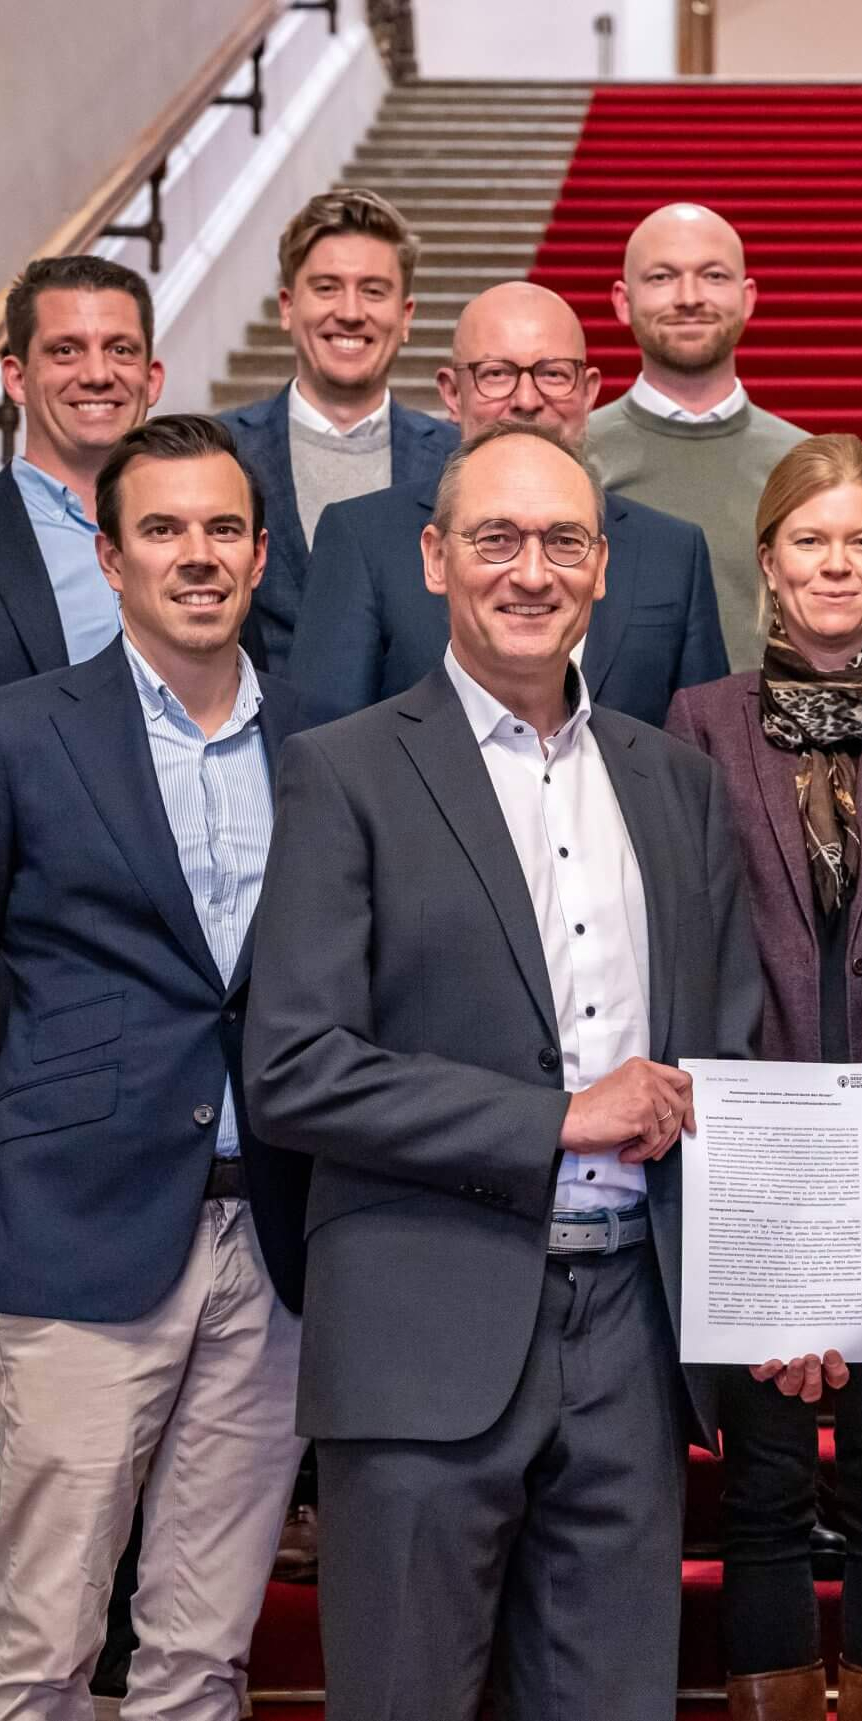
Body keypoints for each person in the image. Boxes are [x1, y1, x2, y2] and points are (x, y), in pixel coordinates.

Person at [243, 421, 762, 1721]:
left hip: (631, 1343)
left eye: (562, 542)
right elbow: (294, 1069)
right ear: (434, 558)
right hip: (423, 1327)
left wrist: (776, 1275)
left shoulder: (678, 786)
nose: (529, 570)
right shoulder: (344, 772)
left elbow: (730, 1055)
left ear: (601, 570)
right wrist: (558, 1117)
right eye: (496, 539)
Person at [0, 414, 319, 1719]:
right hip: (81, 1231)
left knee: (205, 1654)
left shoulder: (329, 743)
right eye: (166, 529)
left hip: (279, 1236)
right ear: (110, 550)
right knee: (41, 1646)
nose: (199, 555)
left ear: (257, 555)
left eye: (224, 529)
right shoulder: (26, 732)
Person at [666, 435, 862, 1720]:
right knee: (760, 1480)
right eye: (810, 540)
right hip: (756, 1142)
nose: (835, 563)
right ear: (768, 561)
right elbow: (692, 932)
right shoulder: (702, 718)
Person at [289, 280, 727, 724]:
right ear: (452, 394)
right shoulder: (363, 537)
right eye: (496, 374)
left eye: (553, 373)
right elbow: (324, 743)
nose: (526, 400)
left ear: (589, 391)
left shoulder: (672, 551)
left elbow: (702, 752)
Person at [220, 187, 456, 670]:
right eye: (326, 287)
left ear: (405, 316)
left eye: (373, 290)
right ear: (287, 306)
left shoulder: (458, 461)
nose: (350, 311)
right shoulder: (221, 451)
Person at [589, 201, 809, 672]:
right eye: (662, 278)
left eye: (713, 276)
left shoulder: (806, 463)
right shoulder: (573, 458)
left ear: (747, 297)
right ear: (623, 302)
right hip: (612, 737)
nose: (689, 297)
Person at [0, 254, 162, 684]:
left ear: (152, 378)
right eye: (66, 350)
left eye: (120, 349)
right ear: (15, 378)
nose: (96, 374)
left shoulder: (212, 529)